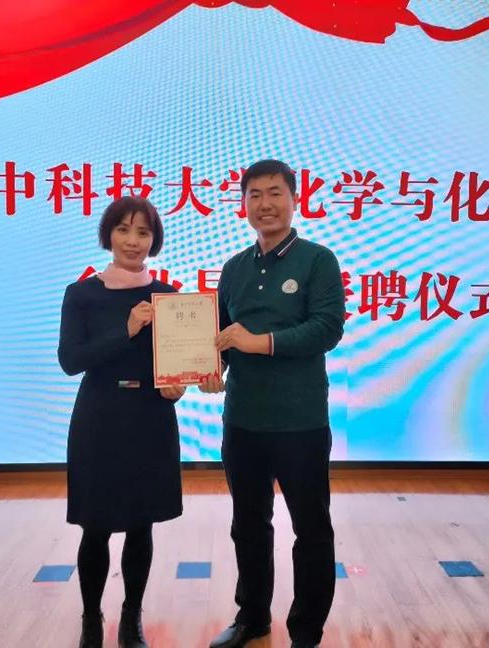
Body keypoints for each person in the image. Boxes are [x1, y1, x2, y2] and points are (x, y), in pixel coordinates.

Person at [201, 159, 346, 648]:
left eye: (275, 193)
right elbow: (222, 336)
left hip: (300, 421)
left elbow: (326, 329)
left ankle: (306, 631)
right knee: (248, 525)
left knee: (312, 529)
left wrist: (259, 342)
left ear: (294, 199)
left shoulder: (318, 260)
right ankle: (252, 617)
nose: (265, 204)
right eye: (255, 195)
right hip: (243, 421)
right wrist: (209, 370)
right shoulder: (234, 268)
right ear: (244, 204)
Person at [58, 196, 185, 648]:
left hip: (150, 418)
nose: (133, 241)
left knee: (141, 524)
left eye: (143, 232)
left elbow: (176, 363)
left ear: (155, 240)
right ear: (108, 235)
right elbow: (71, 361)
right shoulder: (82, 294)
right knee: (95, 526)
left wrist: (179, 384)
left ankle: (132, 618)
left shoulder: (169, 298)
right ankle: (91, 618)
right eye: (124, 229)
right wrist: (126, 329)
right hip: (100, 419)